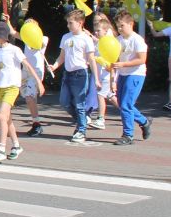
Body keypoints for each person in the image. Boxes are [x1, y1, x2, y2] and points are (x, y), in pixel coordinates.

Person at [0, 21, 43, 161]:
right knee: (7, 119)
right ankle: (17, 146)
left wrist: (39, 82)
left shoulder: (14, 50)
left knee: (1, 116)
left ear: (1, 35)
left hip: (12, 88)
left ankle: (1, 148)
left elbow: (29, 66)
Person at [50, 9, 99, 144]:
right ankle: (81, 121)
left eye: (71, 23)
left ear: (80, 22)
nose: (68, 26)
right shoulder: (66, 37)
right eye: (67, 23)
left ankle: (81, 130)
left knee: (79, 104)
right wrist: (54, 66)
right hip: (68, 73)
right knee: (64, 101)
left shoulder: (86, 39)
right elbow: (62, 56)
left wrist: (97, 79)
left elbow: (91, 59)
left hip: (81, 74)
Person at [110, 11, 151, 145]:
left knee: (126, 105)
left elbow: (142, 59)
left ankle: (128, 135)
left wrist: (123, 64)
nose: (119, 29)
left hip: (135, 74)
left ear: (131, 24)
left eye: (122, 26)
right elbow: (113, 59)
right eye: (117, 26)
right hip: (123, 74)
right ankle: (144, 122)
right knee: (123, 105)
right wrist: (112, 77)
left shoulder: (137, 40)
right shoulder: (118, 40)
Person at [19, 17, 49, 135]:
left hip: (36, 71)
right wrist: (8, 22)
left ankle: (37, 124)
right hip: (25, 71)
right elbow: (13, 32)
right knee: (28, 97)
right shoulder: (26, 39)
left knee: (29, 97)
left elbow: (40, 45)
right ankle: (35, 121)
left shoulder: (43, 38)